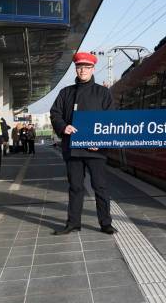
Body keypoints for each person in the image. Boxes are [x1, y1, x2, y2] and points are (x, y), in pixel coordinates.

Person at [50, 52, 117, 235]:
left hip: (96, 150)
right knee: (75, 187)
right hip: (73, 148)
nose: (83, 70)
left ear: (92, 69)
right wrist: (64, 127)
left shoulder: (103, 93)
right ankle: (73, 223)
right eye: (80, 67)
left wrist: (101, 142)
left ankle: (105, 223)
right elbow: (55, 113)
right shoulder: (66, 93)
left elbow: (111, 121)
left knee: (100, 187)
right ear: (76, 69)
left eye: (86, 67)